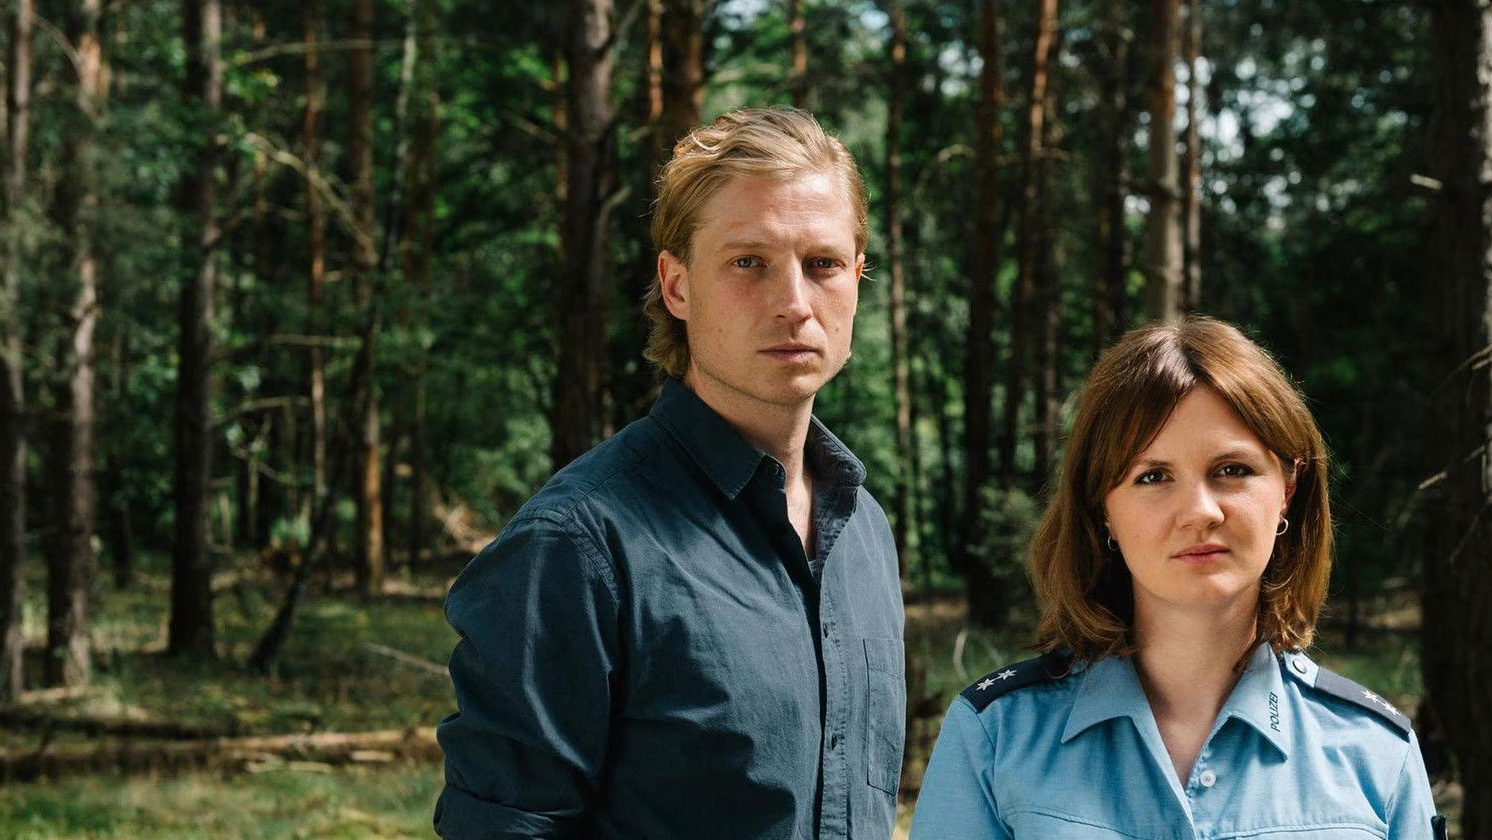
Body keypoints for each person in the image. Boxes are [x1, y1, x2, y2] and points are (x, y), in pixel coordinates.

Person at [434, 107, 905, 840]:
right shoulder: (576, 546)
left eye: (822, 264)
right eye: (748, 262)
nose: (793, 304)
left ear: (857, 278)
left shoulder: (863, 533)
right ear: (677, 285)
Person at [910, 317, 1444, 839]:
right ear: (1103, 509)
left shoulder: (1377, 754)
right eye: (1153, 476)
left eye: (1232, 470)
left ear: (1287, 490)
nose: (1199, 512)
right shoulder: (996, 738)